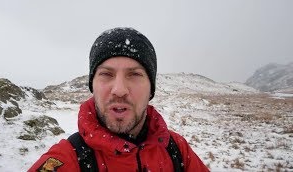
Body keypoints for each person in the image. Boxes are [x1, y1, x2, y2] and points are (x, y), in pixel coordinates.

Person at [28, 27, 209, 172]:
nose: (119, 90)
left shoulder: (176, 150)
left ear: (151, 89)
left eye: (135, 74)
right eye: (106, 74)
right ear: (93, 86)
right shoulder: (67, 159)